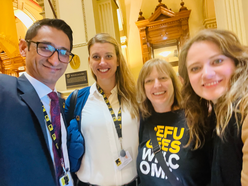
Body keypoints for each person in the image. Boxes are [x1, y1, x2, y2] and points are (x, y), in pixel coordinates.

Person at [0, 18, 74, 186]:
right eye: (45, 48)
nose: (55, 60)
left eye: (63, 52)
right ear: (24, 48)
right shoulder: (5, 91)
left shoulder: (61, 105)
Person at [65, 33, 140, 186]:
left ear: (118, 60)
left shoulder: (136, 98)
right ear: (89, 61)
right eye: (96, 57)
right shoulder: (76, 100)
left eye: (108, 56)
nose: (102, 62)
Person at [178, 29, 248, 186]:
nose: (207, 74)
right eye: (195, 68)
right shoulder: (213, 114)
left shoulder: (243, 109)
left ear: (236, 62)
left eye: (217, 61)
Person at [136, 58, 211, 186]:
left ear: (173, 82)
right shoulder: (143, 120)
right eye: (149, 81)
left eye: (163, 78)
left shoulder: (195, 119)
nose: (157, 85)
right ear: (143, 88)